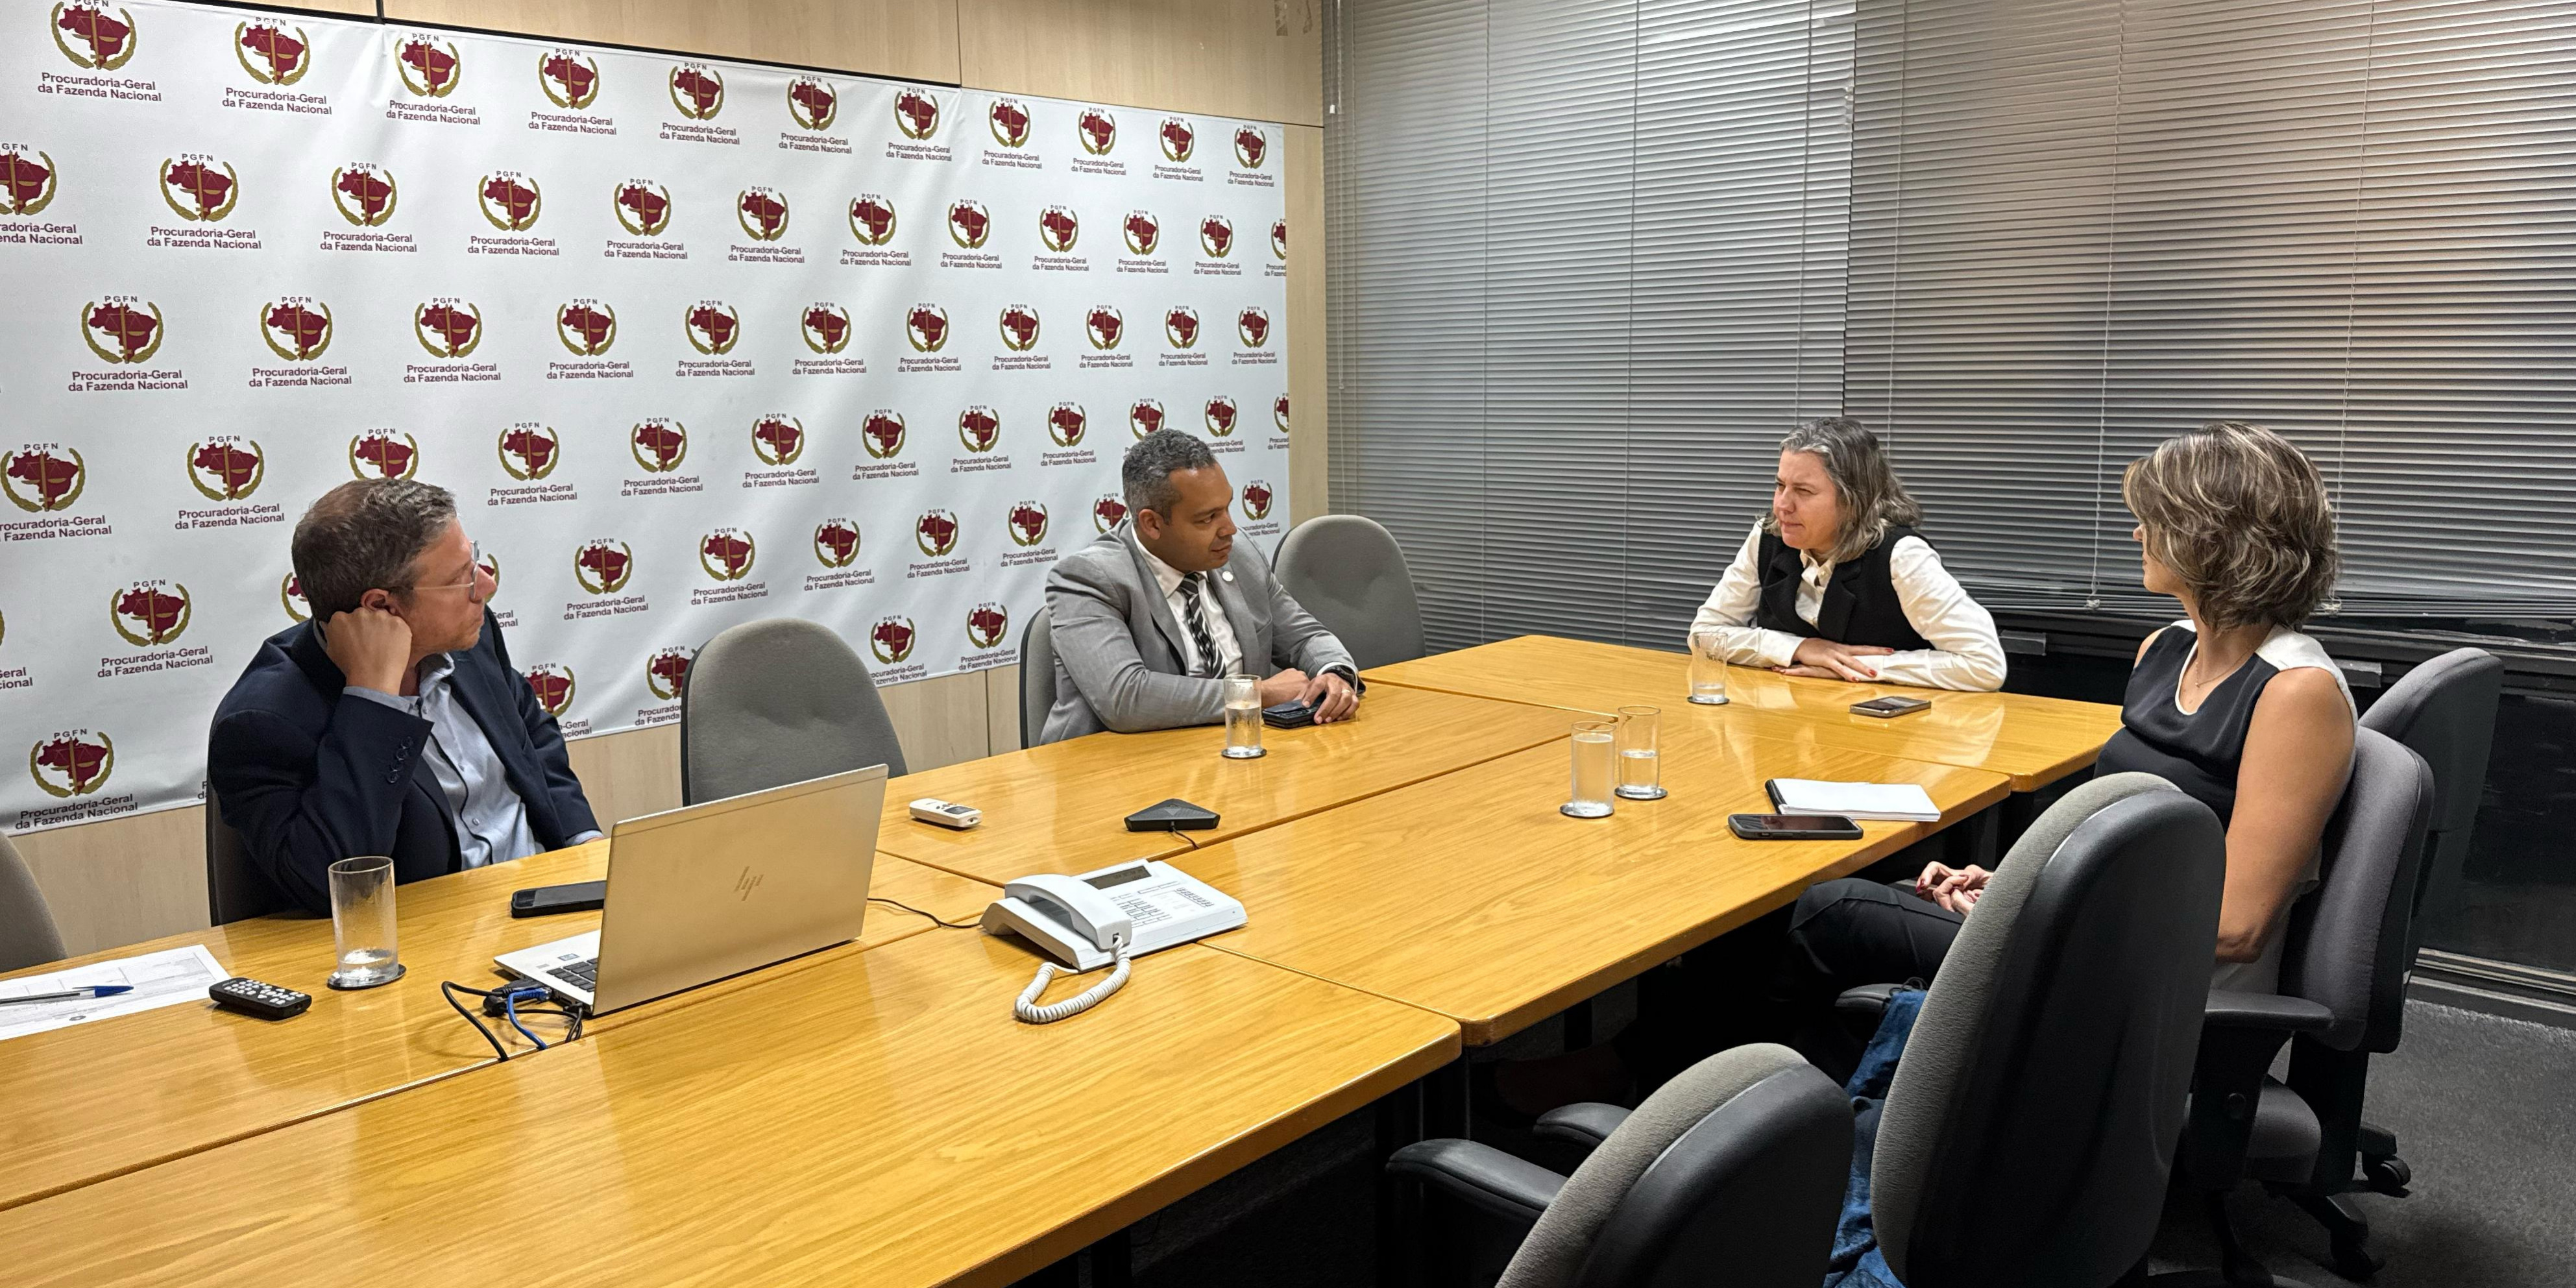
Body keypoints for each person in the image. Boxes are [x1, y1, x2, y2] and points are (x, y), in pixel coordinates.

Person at [1492, 421, 2353, 1113]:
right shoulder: (2164, 648)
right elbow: (2110, 839)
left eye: (2152, 517)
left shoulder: (2295, 691)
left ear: (2211, 537)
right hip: (2084, 926)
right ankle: (1733, 1096)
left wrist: (2029, 906)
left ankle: (1681, 1091)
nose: (2135, 531)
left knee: (1824, 909)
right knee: (1789, 905)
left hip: (2137, 975)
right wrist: (2006, 877)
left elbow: (2234, 924)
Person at [210, 480, 600, 915]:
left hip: (547, 901)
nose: (486, 586)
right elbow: (330, 885)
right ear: (381, 607)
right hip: (436, 935)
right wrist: (372, 697)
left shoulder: (469, 633)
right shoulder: (262, 722)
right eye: (460, 579)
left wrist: (583, 844)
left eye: (474, 562)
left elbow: (531, 735)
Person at [1041, 430, 1362, 743]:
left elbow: (1306, 637)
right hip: (1120, 764)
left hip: (1232, 750)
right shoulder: (1088, 578)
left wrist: (1334, 675)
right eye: (1207, 519)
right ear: (1152, 524)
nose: (1230, 529)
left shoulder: (1239, 555)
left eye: (1227, 507)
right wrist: (1257, 694)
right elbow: (1126, 697)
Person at [1690, 417, 2004, 691]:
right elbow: (1704, 635)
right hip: (1794, 719)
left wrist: (1856, 667)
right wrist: (1799, 648)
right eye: (1780, 485)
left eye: (1804, 491)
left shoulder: (1902, 555)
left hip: (1891, 728)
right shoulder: (1768, 536)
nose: (1783, 505)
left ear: (1853, 501)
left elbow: (1985, 664)